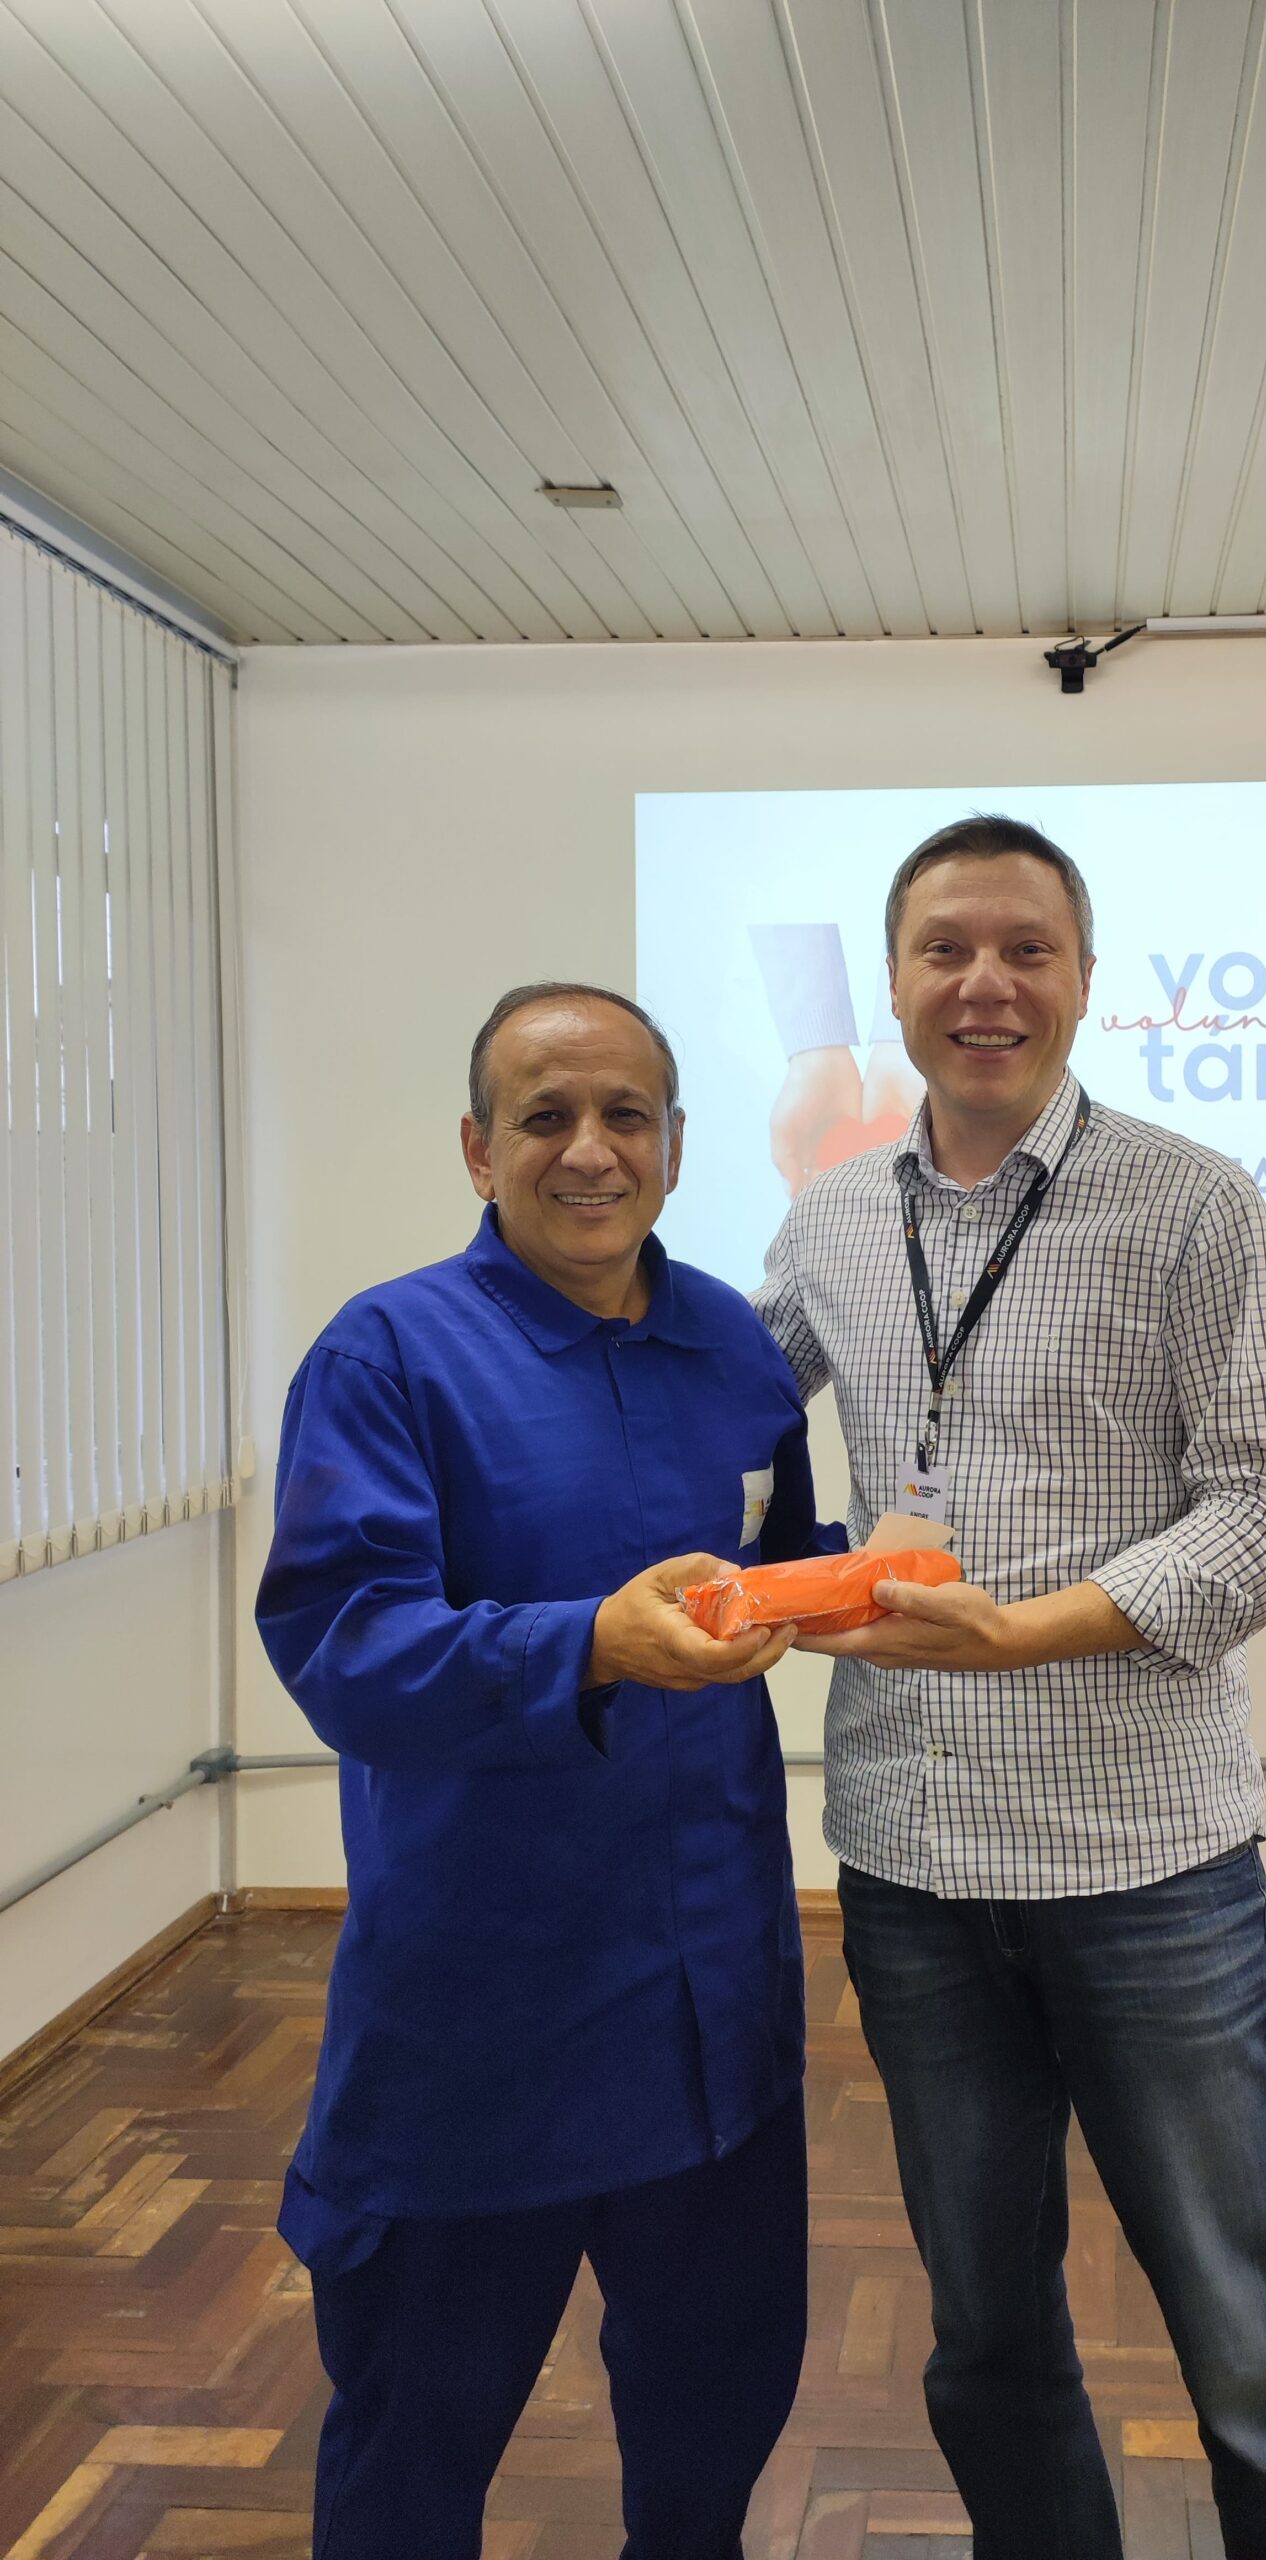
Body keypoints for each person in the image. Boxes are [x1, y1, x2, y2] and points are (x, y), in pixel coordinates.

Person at [756, 819, 1266, 2559]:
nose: (987, 984)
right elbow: (712, 1418)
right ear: (893, 984)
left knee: (1254, 2357)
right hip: (912, 1867)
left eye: (1027, 949)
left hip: (1148, 1869)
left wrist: (1024, 1634)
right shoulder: (828, 1220)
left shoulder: (1191, 1203)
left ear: (1087, 980)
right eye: (947, 948)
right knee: (985, 2339)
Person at [257, 983, 834, 2560]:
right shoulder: (388, 1356)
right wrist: (588, 1644)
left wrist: (883, 1578)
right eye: (546, 1117)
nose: (591, 1151)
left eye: (626, 1116)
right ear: (477, 1149)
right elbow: (345, 1646)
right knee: (412, 2459)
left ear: (677, 1146)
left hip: (715, 2029)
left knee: (712, 2438)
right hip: (480, 2032)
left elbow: (779, 1563)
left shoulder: (733, 1345)